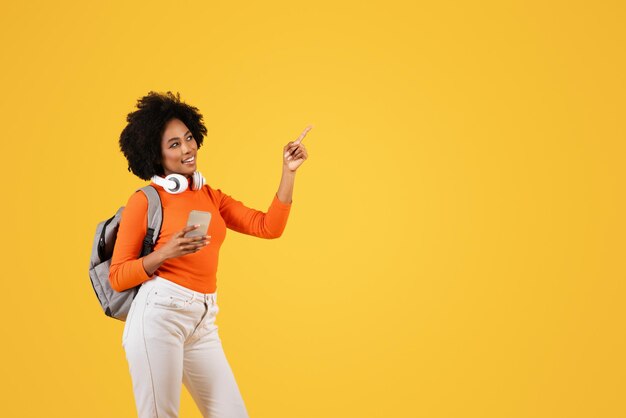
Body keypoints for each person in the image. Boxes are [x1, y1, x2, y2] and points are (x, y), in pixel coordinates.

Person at [109, 91, 311, 418]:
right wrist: (165, 253)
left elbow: (268, 227)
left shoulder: (210, 196)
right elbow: (118, 277)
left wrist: (289, 172)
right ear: (155, 155)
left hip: (203, 321)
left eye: (189, 138)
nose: (187, 149)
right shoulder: (145, 201)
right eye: (174, 144)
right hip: (159, 316)